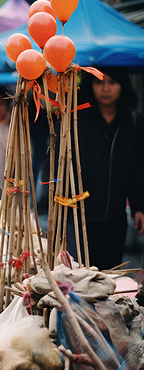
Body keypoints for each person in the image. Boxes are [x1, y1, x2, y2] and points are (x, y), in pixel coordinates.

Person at [76, 67, 144, 270]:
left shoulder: (133, 122)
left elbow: (137, 168)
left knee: (109, 274)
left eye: (112, 83)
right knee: (81, 273)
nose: (106, 88)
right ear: (91, 85)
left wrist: (139, 206)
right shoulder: (79, 120)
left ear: (122, 86)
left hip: (116, 216)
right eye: (99, 82)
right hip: (81, 215)